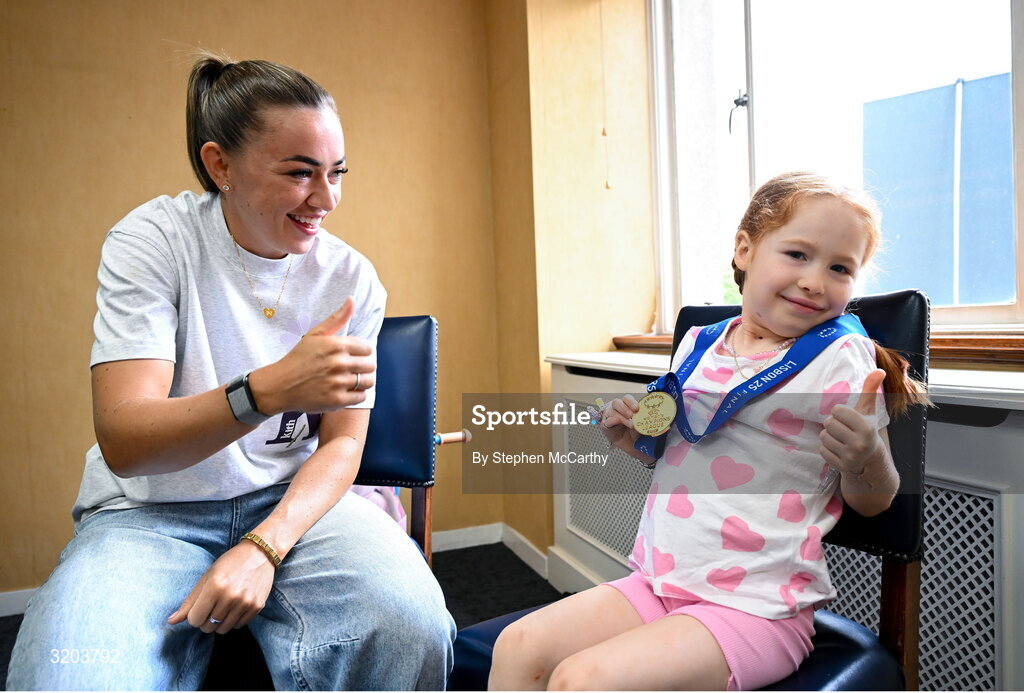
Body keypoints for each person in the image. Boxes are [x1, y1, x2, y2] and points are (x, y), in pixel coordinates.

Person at [7, 55, 454, 691]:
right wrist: (268, 390)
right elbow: (126, 443)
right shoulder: (154, 242)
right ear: (221, 165)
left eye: (336, 174)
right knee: (70, 675)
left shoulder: (351, 279)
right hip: (150, 510)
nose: (325, 200)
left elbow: (344, 442)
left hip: (293, 503)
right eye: (300, 174)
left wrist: (265, 546)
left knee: (410, 627)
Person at [488, 172, 929, 691]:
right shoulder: (700, 342)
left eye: (840, 268)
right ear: (745, 249)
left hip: (755, 607)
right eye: (797, 255)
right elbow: (681, 452)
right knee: (516, 648)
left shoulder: (840, 358)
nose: (815, 280)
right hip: (660, 582)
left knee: (580, 681)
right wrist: (635, 442)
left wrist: (865, 458)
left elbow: (875, 501)